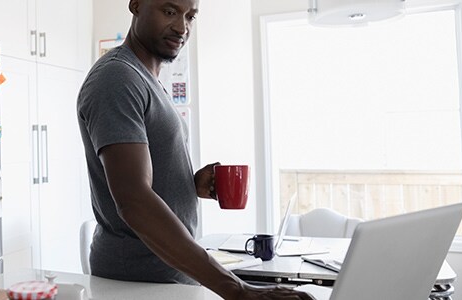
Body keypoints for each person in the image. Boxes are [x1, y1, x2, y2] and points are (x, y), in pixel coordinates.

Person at [76, 0, 315, 299]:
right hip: (136, 282)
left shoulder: (146, 80)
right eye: (170, 11)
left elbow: (144, 177)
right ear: (136, 5)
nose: (182, 27)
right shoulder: (117, 79)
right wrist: (238, 290)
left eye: (190, 16)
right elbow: (133, 200)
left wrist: (188, 184)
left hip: (165, 276)